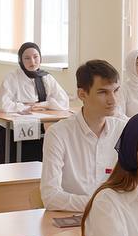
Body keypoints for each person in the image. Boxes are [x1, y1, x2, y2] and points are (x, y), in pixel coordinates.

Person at [40, 59, 123, 213]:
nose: (113, 100)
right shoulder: (58, 134)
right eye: (103, 92)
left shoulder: (124, 130)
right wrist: (101, 205)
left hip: (115, 218)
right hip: (74, 220)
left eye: (116, 91)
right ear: (82, 94)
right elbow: (50, 197)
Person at [0, 42, 70, 163]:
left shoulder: (46, 77)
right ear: (20, 60)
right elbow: (2, 105)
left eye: (36, 57)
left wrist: (42, 104)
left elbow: (63, 101)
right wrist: (24, 107)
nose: (32, 61)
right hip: (9, 131)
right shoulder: (12, 77)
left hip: (36, 127)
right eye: (27, 58)